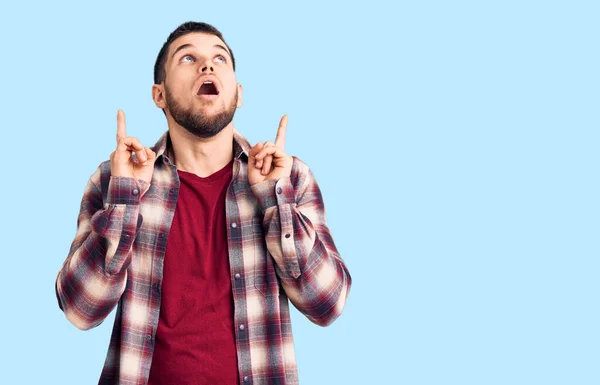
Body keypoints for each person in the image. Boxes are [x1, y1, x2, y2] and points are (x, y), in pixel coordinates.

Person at [55, 21, 351, 385]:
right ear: (159, 95)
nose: (207, 66)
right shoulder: (116, 180)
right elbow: (80, 309)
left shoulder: (289, 178)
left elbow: (328, 305)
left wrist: (277, 201)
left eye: (219, 58)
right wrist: (124, 200)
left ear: (238, 93)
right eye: (188, 58)